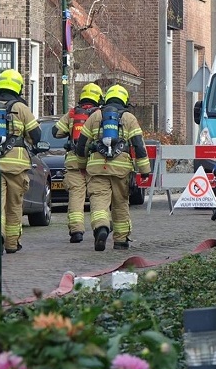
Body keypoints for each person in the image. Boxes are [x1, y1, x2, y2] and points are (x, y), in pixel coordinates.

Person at [74, 84, 151, 251]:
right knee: (121, 203)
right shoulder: (129, 118)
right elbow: (138, 146)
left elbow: (81, 145)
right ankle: (121, 240)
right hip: (121, 169)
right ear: (125, 100)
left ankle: (101, 227)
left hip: (97, 168)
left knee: (99, 202)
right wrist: (145, 170)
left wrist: (81, 165)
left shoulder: (95, 116)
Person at [0, 69, 42, 253]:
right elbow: (36, 135)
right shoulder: (21, 109)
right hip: (17, 166)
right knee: (14, 205)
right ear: (18, 87)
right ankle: (12, 244)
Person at [51, 82, 103, 243]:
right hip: (94, 162)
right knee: (98, 196)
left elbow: (56, 132)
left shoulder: (73, 113)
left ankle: (76, 231)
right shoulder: (100, 114)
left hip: (74, 163)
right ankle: (100, 227)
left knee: (76, 196)